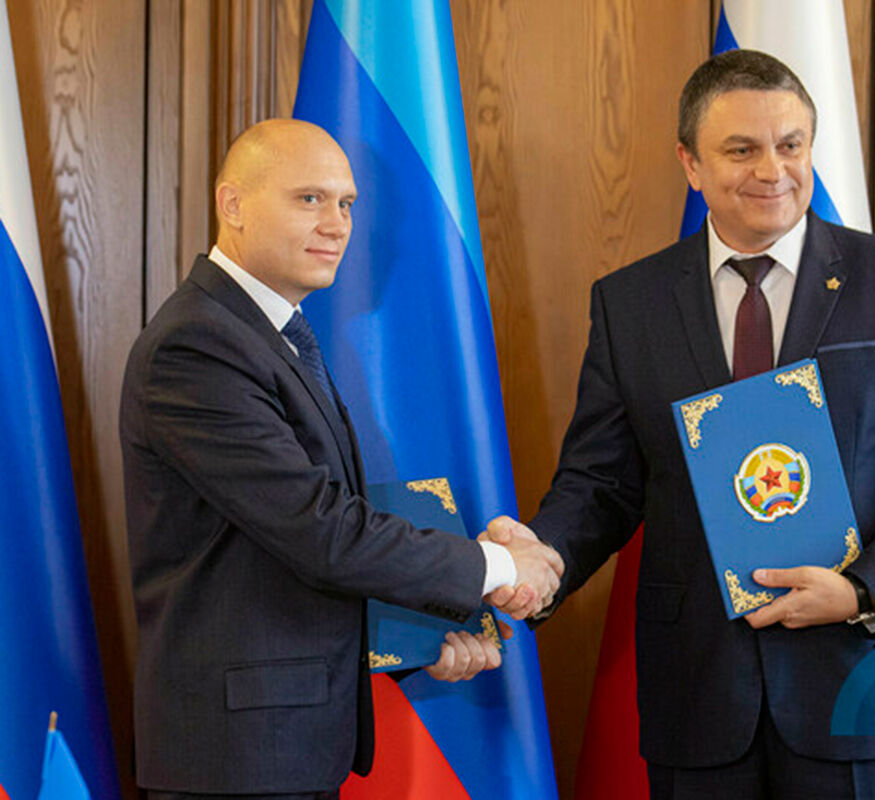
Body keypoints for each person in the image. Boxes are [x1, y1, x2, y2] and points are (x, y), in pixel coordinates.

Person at [485, 50, 875, 799]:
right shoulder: (630, 303)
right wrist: (544, 559)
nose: (774, 170)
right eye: (741, 150)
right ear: (690, 163)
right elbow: (602, 482)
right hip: (698, 696)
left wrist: (864, 589)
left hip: (854, 686)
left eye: (791, 144)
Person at [120, 118, 562, 799]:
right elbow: (319, 529)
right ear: (232, 205)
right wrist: (496, 567)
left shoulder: (271, 334)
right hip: (236, 762)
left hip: (283, 749)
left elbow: (294, 543)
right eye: (309, 199)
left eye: (347, 203)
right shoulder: (197, 347)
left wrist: (426, 634)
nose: (337, 225)